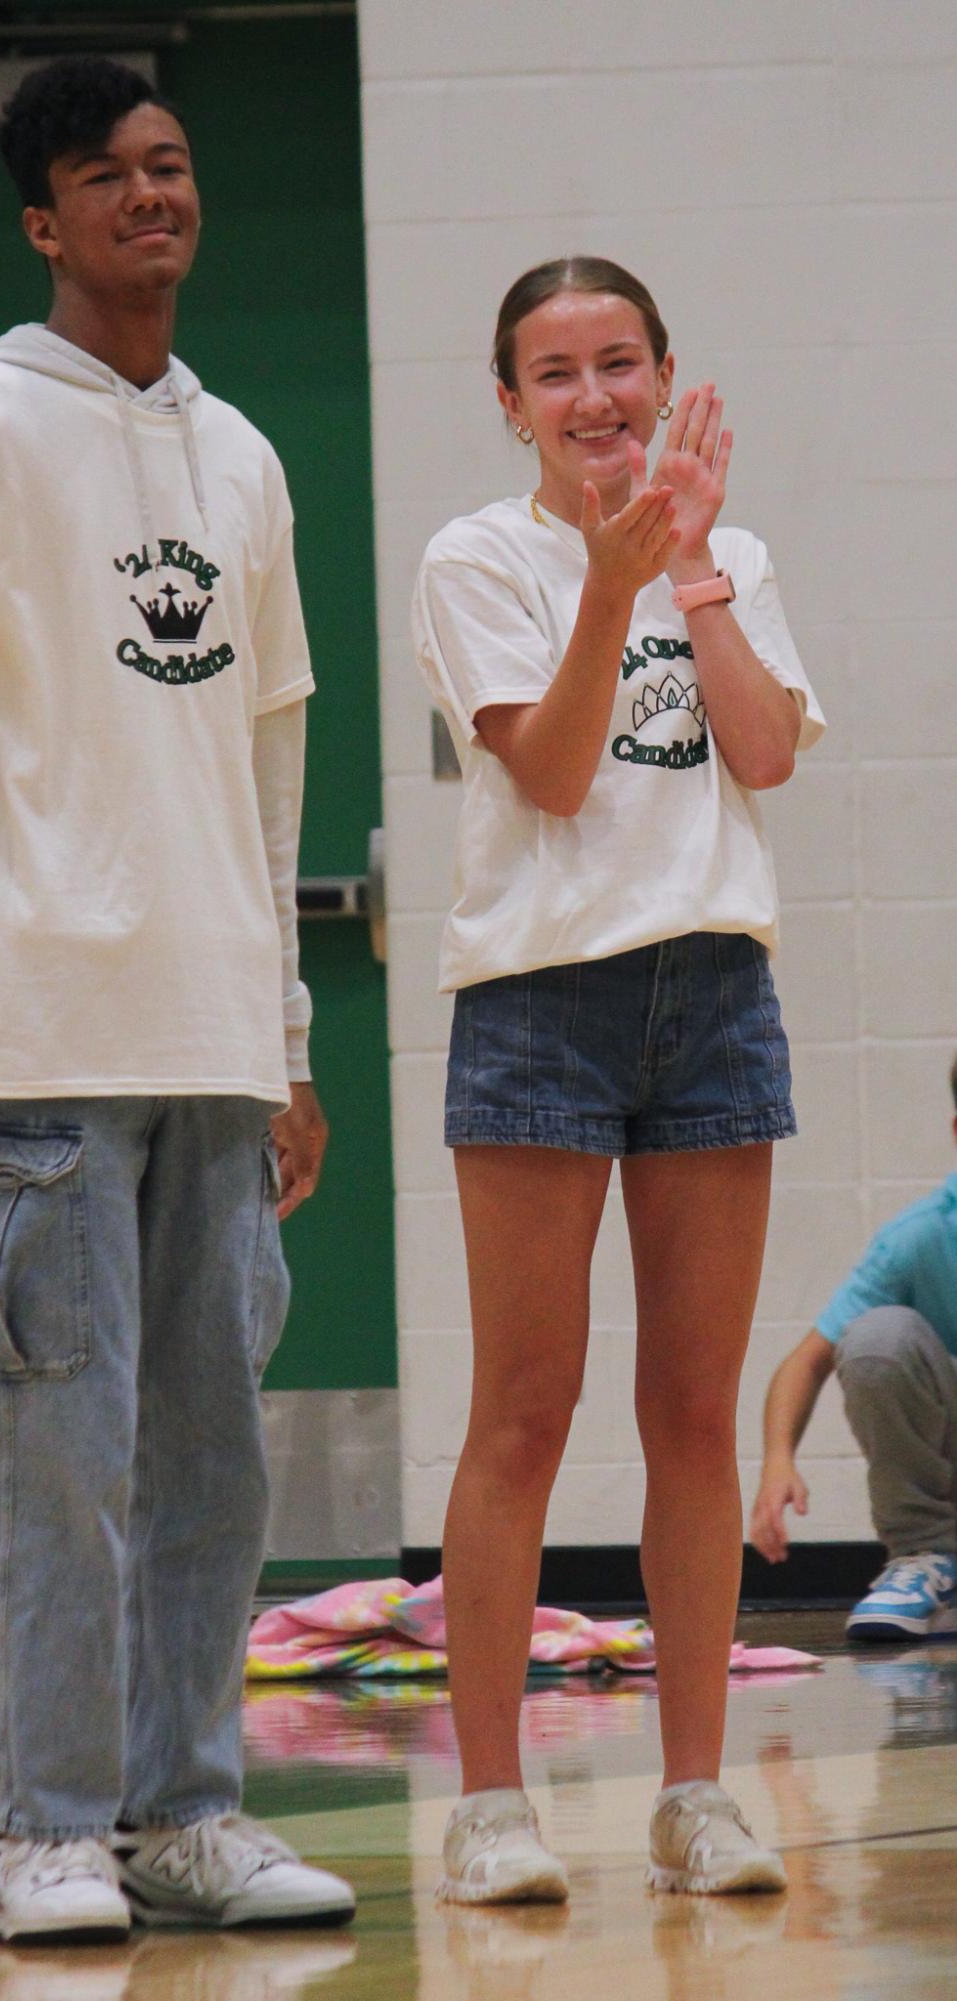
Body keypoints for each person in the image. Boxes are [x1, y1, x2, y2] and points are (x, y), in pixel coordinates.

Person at [0, 55, 354, 1943]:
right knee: (60, 1460)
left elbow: (269, 782)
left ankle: (188, 1811)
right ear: (44, 218)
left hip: (211, 1037)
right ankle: (46, 1824)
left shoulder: (247, 455)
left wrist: (285, 1036)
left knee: (211, 1455)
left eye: (171, 164)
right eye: (106, 176)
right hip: (40, 1035)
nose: (149, 196)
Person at [412, 255, 825, 1903]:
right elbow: (563, 770)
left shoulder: (738, 555)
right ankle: (495, 1804)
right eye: (556, 373)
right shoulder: (475, 559)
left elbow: (770, 754)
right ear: (511, 404)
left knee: (690, 1409)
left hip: (713, 988)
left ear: (664, 376)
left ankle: (698, 1789)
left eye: (619, 365)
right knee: (525, 1405)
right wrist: (609, 579)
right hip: (539, 1001)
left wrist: (695, 573)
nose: (594, 399)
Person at [750, 1055, 957, 1641]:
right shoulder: (919, 1239)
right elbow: (805, 1362)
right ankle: (927, 1558)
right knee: (874, 1339)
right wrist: (777, 1462)